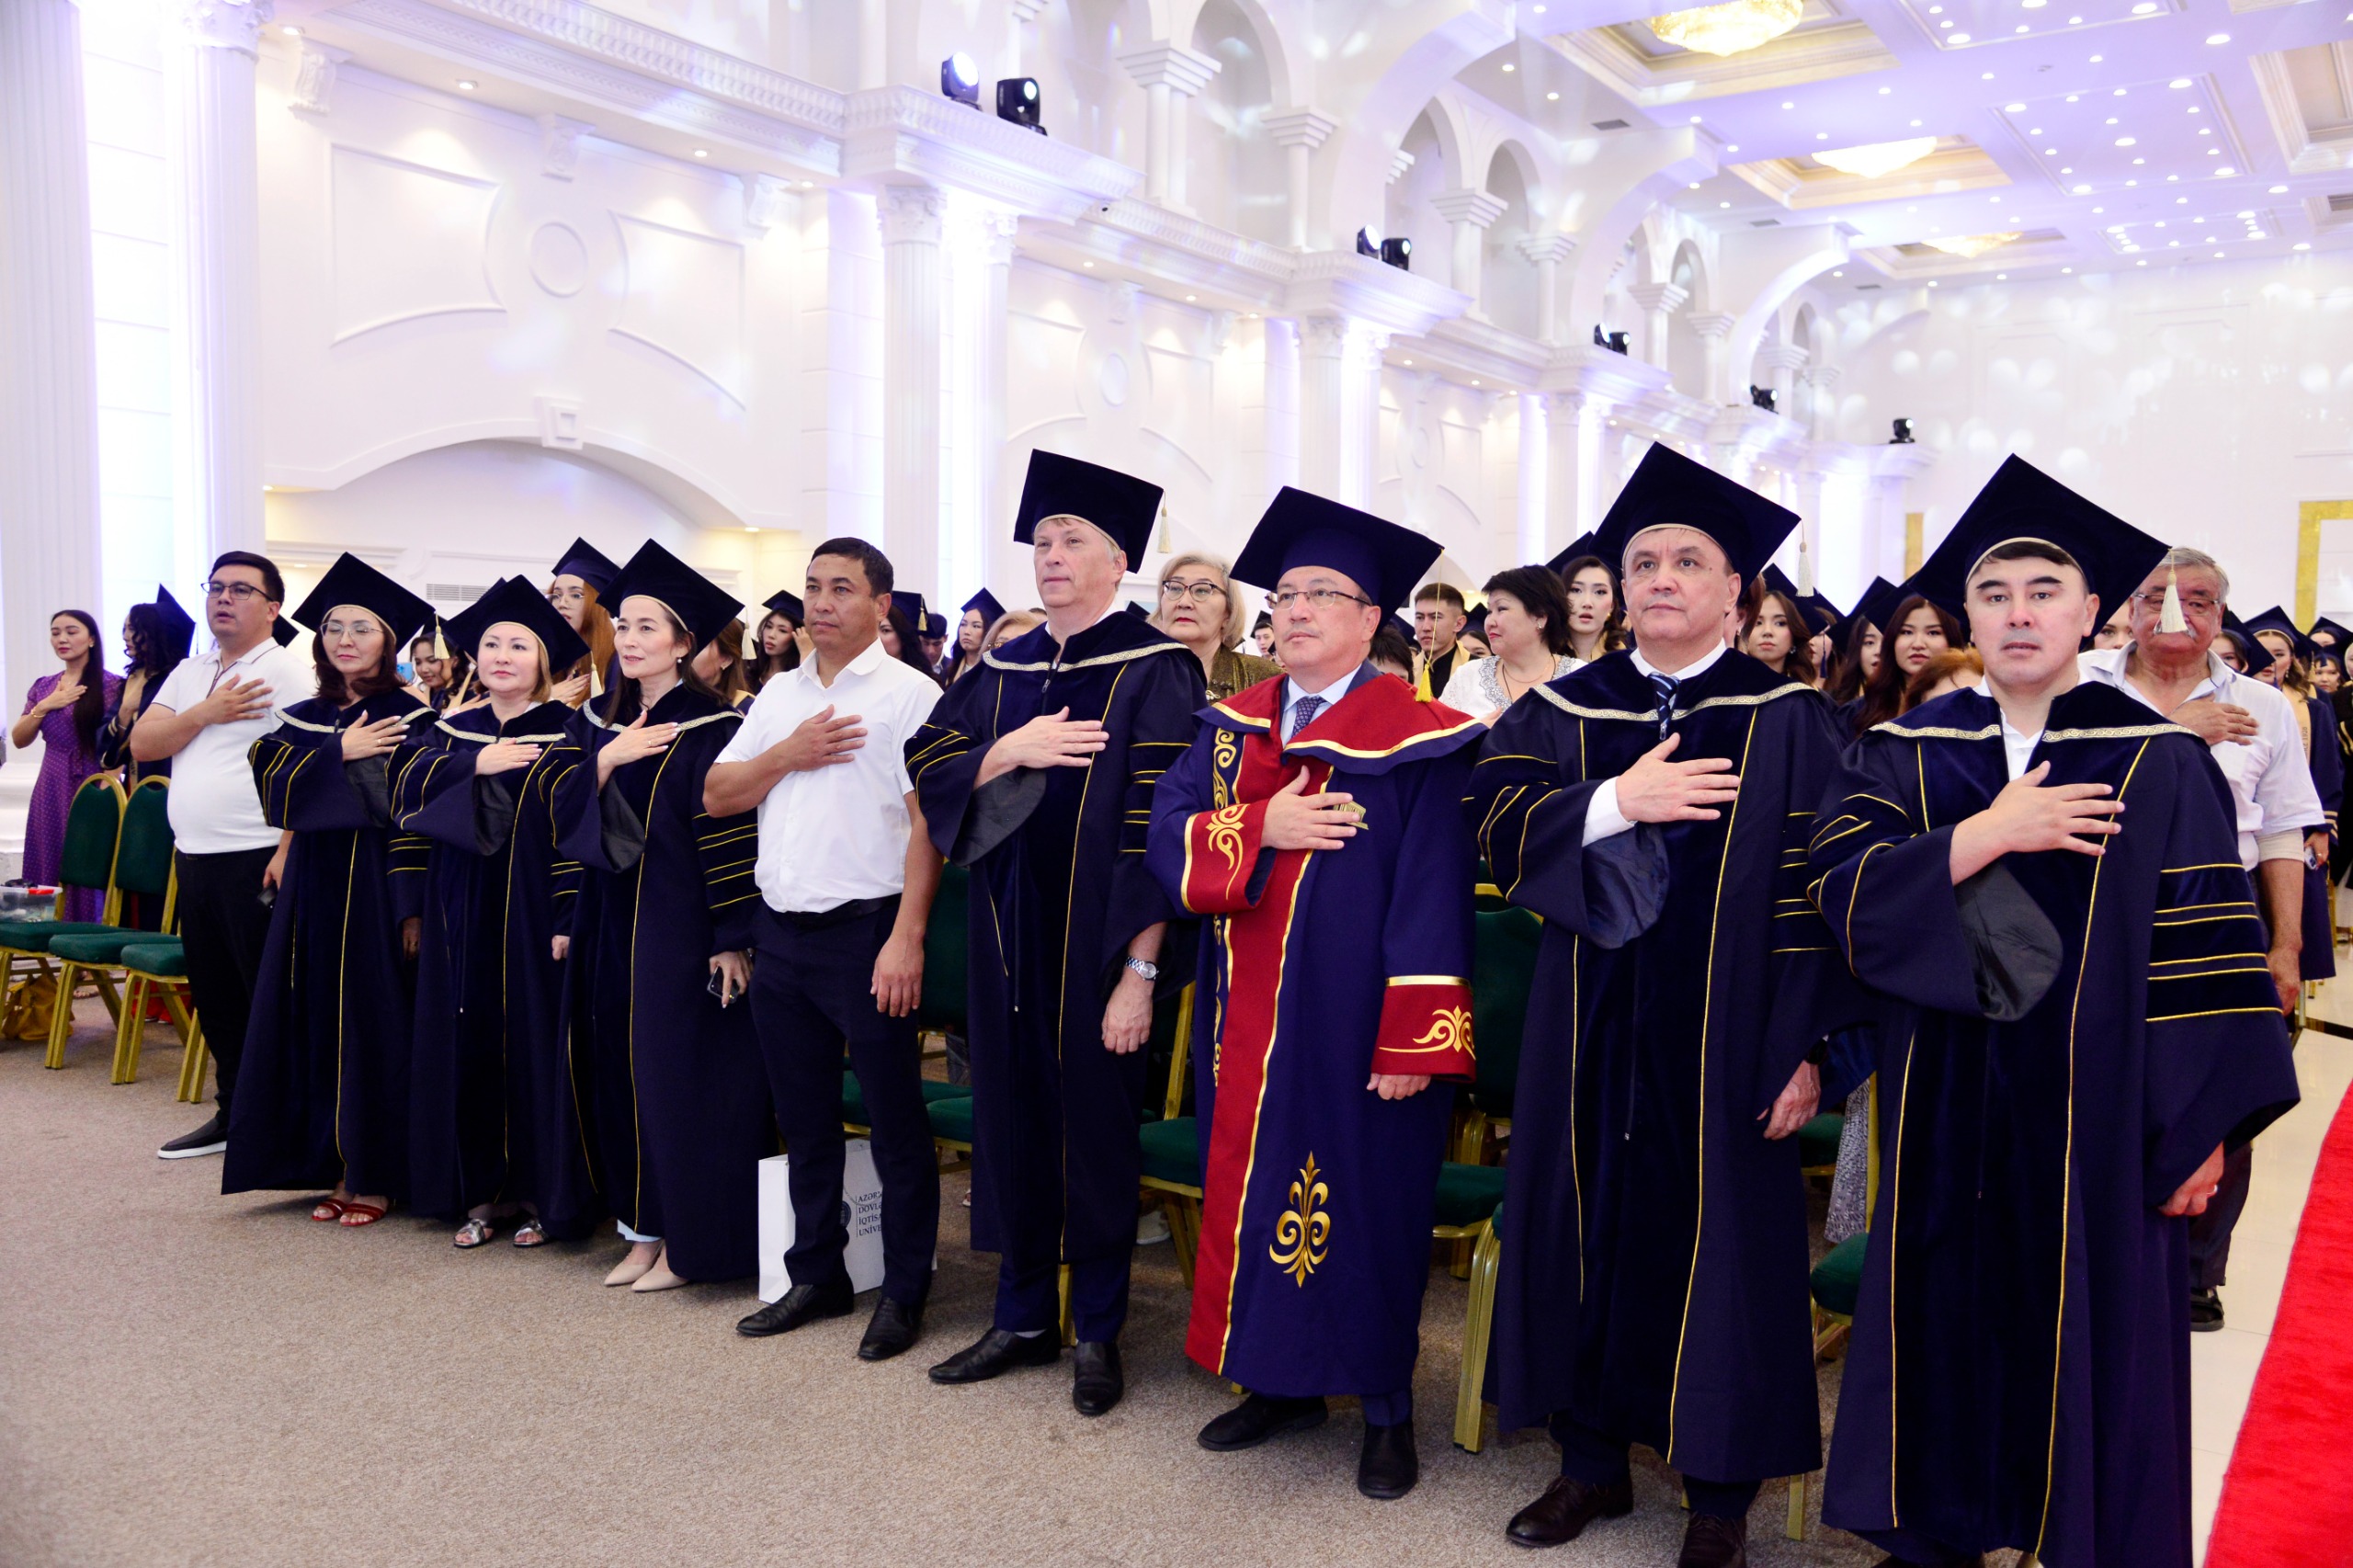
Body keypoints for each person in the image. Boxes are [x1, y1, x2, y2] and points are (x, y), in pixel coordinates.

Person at [1813, 460, 2300, 1568]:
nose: (2019, 612)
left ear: (2092, 612)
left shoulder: (2158, 759)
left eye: (2044, 591)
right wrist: (1982, 835)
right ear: (1967, 617)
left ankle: (2075, 1537)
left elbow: (2201, 962)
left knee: (2089, 1322)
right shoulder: (1902, 751)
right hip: (1938, 1104)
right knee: (1937, 1306)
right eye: (1994, 594)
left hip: (2099, 1122)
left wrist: (2198, 1131)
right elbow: (1837, 889)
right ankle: (1931, 1533)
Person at [1466, 444, 1856, 1568]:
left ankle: (1719, 1493)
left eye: (1689, 561)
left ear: (1736, 589)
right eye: (1643, 562)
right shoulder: (1562, 708)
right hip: (1586, 1028)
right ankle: (1590, 1460)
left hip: (1733, 1040)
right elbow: (1489, 822)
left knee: (1725, 1245)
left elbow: (1828, 890)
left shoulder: (1791, 717)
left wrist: (1810, 1049)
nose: (1662, 578)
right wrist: (1612, 800)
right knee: (1585, 1222)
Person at [1146, 488, 1483, 1500]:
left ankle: (1385, 1408)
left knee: (1368, 1205)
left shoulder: (1424, 739)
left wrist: (1413, 1042)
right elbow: (1166, 839)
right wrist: (1263, 827)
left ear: (1370, 617)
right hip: (1246, 1023)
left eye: (1321, 594)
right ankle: (1275, 1381)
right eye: (1284, 594)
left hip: (1358, 1023)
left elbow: (1435, 895)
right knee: (1254, 1195)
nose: (1293, 609)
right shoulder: (1227, 731)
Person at [907, 449, 1204, 1416]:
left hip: (1101, 948)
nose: (1051, 554)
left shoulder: (1157, 670)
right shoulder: (1001, 664)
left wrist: (1140, 972)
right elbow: (929, 761)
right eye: (1041, 540)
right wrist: (1008, 748)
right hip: (1005, 940)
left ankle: (1100, 1330)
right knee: (1009, 1119)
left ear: (1119, 561)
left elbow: (1164, 829)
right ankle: (1024, 1315)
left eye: (1073, 538)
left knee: (1096, 1131)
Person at [710, 537, 944, 1358]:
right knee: (803, 1117)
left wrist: (907, 938)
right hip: (781, 931)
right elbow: (719, 794)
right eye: (812, 586)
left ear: (881, 605)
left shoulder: (911, 695)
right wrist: (788, 754)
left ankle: (906, 1290)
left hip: (868, 933)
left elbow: (928, 827)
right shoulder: (779, 694)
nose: (820, 602)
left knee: (893, 1120)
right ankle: (817, 1274)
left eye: (842, 588)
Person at [2080, 554, 2323, 1332]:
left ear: (2222, 613)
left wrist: (2285, 947)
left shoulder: (2262, 705)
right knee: (2101, 1078)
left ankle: (2195, 1270)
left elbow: (2283, 830)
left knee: (2221, 1085)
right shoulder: (2080, 683)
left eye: (2198, 599)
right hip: (2095, 908)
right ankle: (2096, 1244)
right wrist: (2172, 734)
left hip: (2219, 913)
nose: (2175, 613)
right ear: (2128, 607)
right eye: (2155, 596)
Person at [573, 542, 769, 1293]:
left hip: (680, 928)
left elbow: (731, 834)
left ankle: (689, 1242)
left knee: (679, 1080)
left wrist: (731, 936)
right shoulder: (604, 722)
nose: (628, 639)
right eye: (623, 625)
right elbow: (555, 815)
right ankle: (640, 1230)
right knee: (621, 1071)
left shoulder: (715, 727)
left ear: (685, 644)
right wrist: (604, 760)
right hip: (610, 922)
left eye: (647, 627)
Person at [222, 555, 435, 1229]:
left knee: (376, 1021)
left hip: (377, 884)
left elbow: (412, 812)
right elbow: (272, 780)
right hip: (316, 883)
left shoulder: (412, 716)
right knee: (316, 1013)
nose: (345, 639)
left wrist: (411, 905)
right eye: (335, 627)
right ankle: (332, 1162)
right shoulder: (308, 714)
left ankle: (377, 1172)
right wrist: (336, 755)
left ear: (388, 642)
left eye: (362, 628)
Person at [392, 577, 601, 1249]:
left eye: (519, 645)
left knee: (536, 1043)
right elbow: (403, 799)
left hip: (535, 909)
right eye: (490, 644)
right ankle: (479, 1192)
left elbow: (578, 825)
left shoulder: (570, 730)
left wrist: (568, 916)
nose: (502, 655)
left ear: (544, 660)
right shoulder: (446, 730)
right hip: (459, 907)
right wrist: (475, 764)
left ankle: (542, 1195)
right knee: (468, 1037)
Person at [132, 553, 319, 1159]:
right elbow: (143, 742)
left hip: (256, 855)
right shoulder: (191, 671)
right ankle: (234, 1114)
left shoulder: (288, 673)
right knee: (216, 998)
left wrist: (289, 845)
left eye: (241, 590)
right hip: (194, 855)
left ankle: (282, 1127)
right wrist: (205, 713)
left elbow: (310, 768)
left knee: (265, 997)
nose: (223, 598)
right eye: (216, 587)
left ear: (272, 608)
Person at [13, 611, 121, 923]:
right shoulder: (44, 686)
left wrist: (105, 792)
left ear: (91, 639)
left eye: (72, 632)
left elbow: (118, 746)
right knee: (46, 852)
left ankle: (83, 936)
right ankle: (39, 934)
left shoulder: (113, 685)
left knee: (85, 856)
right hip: (51, 780)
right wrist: (45, 706)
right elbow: (19, 740)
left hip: (90, 779)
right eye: (55, 632)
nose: (62, 639)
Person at [1439, 565, 1581, 722]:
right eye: (1489, 611)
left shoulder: (1580, 677)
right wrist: (1473, 732)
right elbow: (1440, 735)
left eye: (1501, 609)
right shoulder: (1468, 677)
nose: (1489, 622)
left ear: (1540, 617)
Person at [97, 590, 195, 790]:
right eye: (124, 629)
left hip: (171, 777)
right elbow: (106, 746)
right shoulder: (135, 677)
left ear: (156, 634)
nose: (126, 637)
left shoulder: (180, 678)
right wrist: (126, 711)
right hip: (135, 779)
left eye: (133, 629)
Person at [1152, 551, 1279, 702]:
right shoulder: (1136, 675)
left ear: (1229, 611)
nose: (1184, 602)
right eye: (1175, 588)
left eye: (1202, 590)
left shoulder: (1264, 679)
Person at [1850, 593, 1963, 734]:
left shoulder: (1969, 706)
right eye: (1907, 632)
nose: (1918, 644)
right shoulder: (1859, 713)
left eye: (1933, 633)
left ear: (1952, 640)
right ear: (1892, 640)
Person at [547, 537, 620, 707]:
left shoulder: (617, 663)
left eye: (576, 595)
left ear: (600, 605)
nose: (562, 603)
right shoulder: (550, 660)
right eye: (557, 595)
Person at [1826, 575, 1902, 708]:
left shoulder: (1917, 707)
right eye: (1869, 642)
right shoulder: (1836, 709)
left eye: (1886, 642)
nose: (1878, 651)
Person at [1550, 540, 1627, 665]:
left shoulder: (1628, 663)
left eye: (1600, 592)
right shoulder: (1542, 660)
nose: (1587, 603)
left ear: (1612, 606)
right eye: (1576, 590)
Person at [1741, 578, 1818, 687]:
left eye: (1780, 623)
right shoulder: (1724, 689)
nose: (1767, 631)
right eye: (1757, 623)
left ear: (1794, 636)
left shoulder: (1806, 695)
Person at [1411, 582, 1469, 699]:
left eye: (1435, 617)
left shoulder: (1477, 670)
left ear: (1458, 624)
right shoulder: (1408, 670)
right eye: (1420, 618)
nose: (1425, 627)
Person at [691, 617, 755, 712]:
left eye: (701, 645)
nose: (688, 651)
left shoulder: (745, 710)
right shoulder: (673, 699)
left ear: (726, 660)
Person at [941, 589, 1001, 685]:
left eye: (976, 626)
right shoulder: (948, 674)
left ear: (989, 632)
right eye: (963, 624)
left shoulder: (995, 675)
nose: (967, 632)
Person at [750, 592, 803, 690]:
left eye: (782, 631)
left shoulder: (798, 680)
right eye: (769, 626)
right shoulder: (750, 673)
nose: (771, 635)